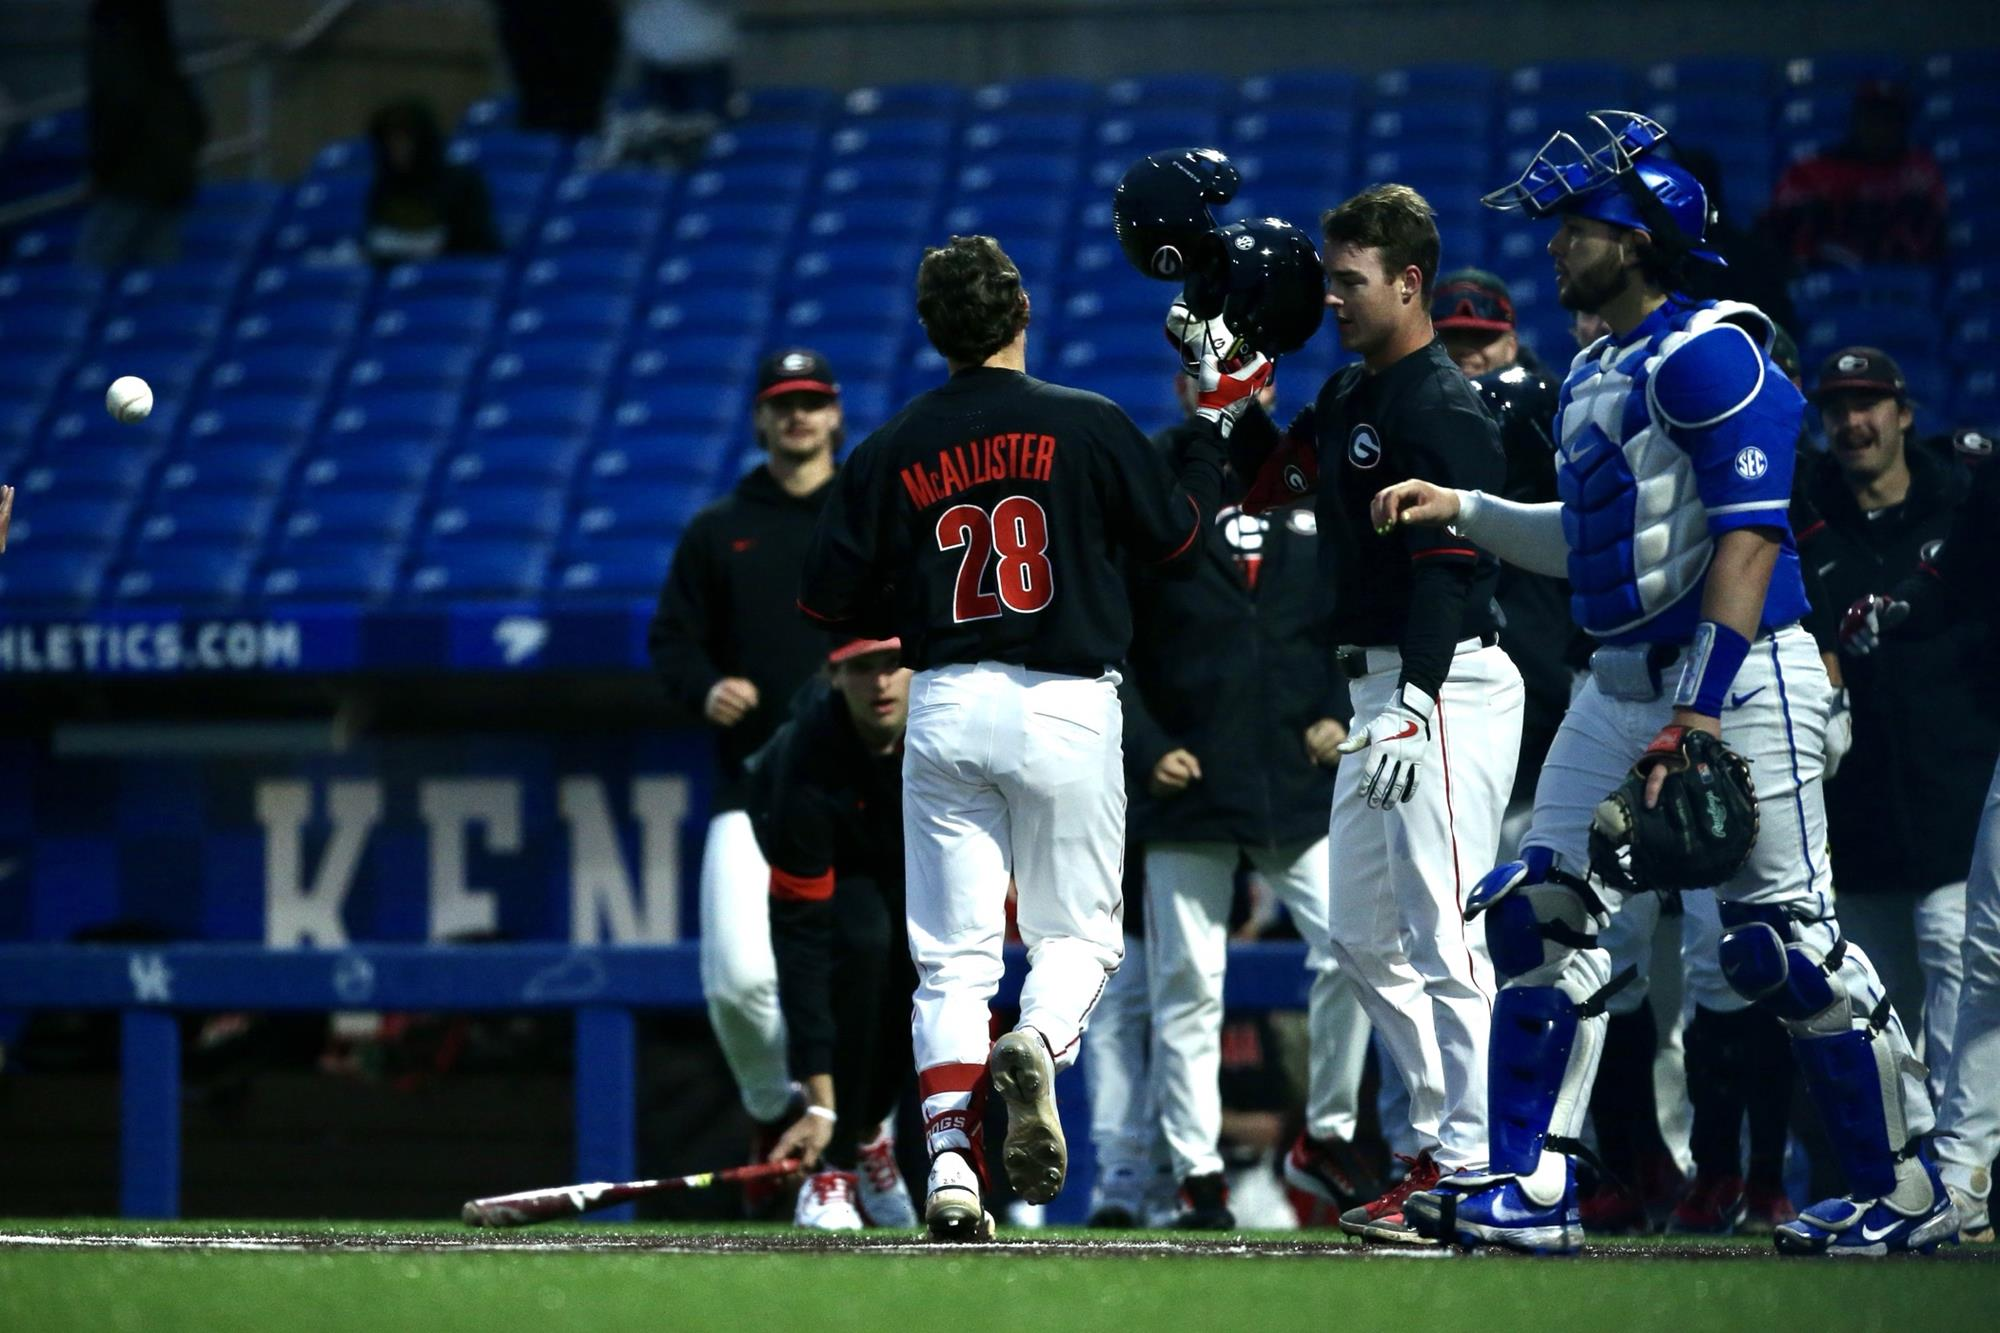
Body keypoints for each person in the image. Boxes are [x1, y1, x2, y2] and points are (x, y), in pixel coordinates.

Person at [1370, 110, 1953, 1256]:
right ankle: (1532, 1186)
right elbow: (1598, 547)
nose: (1553, 243)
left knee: (1780, 943)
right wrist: (1469, 513)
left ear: (1639, 235)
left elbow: (1748, 537)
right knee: (1540, 915)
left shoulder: (1712, 349)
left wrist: (1694, 708)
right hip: (1614, 679)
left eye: (1577, 225)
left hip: (1733, 678)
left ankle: (1909, 1183)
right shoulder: (1598, 363)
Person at [798, 234, 1260, 1240]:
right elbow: (1182, 546)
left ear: (930, 328)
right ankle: (1039, 1040)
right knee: (1080, 937)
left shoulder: (889, 446)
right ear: (1020, 310)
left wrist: (914, 580)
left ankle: (954, 1172)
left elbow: (824, 596)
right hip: (1065, 695)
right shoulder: (1088, 424)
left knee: (952, 962)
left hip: (947, 695)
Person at [1229, 185, 1526, 1245]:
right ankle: (1436, 1147)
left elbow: (1449, 569)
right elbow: (1263, 481)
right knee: (1357, 933)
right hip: (1380, 691)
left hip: (1439, 683)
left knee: (1442, 931)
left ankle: (1472, 1164)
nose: (1331, 297)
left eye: (1347, 279)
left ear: (1408, 284)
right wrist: (1233, 383)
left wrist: (1413, 699)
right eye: (1327, 276)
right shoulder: (1355, 391)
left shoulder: (1438, 404)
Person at [1121, 369, 1374, 1229]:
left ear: (1267, 384)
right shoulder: (1155, 475)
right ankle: (1194, 1174)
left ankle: (1328, 1129)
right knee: (1186, 982)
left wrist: (1343, 710)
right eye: (1206, 377)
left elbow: (1355, 607)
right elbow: (1112, 629)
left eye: (1243, 376)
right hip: (1189, 775)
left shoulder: (1312, 472)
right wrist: (1145, 744)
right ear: (1187, 386)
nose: (1224, 391)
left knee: (1352, 949)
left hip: (1296, 778)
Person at [648, 349, 848, 1197]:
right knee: (735, 979)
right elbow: (671, 641)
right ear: (761, 419)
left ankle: (871, 1153)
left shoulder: (864, 512)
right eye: (782, 403)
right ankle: (781, 1109)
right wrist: (705, 686)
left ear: (835, 412)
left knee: (888, 981)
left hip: (866, 790)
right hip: (754, 789)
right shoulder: (718, 527)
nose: (797, 415)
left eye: (810, 401)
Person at [1808, 347, 1990, 1107]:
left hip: (1959, 805)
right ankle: (1901, 1175)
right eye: (1839, 409)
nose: (1855, 423)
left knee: (1966, 986)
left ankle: (1966, 1177)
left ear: (1905, 413)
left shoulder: (1966, 507)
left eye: (1870, 403)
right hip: (1859, 819)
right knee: (1869, 1011)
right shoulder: (1805, 521)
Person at [1844, 450, 2000, 1245]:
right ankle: (1956, 1179)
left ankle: (1962, 1174)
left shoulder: (1965, 482)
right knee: (1986, 957)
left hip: (1958, 784)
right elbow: (1956, 576)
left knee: (1979, 960)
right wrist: (1901, 606)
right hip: (1918, 811)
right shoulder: (1990, 481)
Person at [749, 638, 921, 1232]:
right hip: (824, 853)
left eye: (894, 664)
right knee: (864, 943)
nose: (881, 683)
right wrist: (820, 1100)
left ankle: (871, 1132)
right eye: (862, 668)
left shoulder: (948, 731)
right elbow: (802, 946)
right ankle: (833, 1169)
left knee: (919, 965)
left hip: (907, 858)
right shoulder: (804, 758)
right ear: (833, 674)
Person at [1764, 81, 1949, 269]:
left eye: (1889, 119)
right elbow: (1783, 243)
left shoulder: (1919, 172)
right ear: (1856, 120)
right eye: (1872, 118)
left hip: (1899, 288)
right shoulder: (1809, 172)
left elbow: (1929, 246)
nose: (1880, 128)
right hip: (1827, 285)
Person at [79, 0, 208, 269]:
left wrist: (101, 167)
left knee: (92, 268)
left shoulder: (115, 39)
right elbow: (196, 119)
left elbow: (120, 109)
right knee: (158, 275)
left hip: (131, 180)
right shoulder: (157, 42)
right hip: (169, 176)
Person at [362, 97, 501, 267]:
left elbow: (478, 247)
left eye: (404, 140)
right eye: (390, 141)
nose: (397, 149)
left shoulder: (462, 184)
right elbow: (375, 242)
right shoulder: (382, 188)